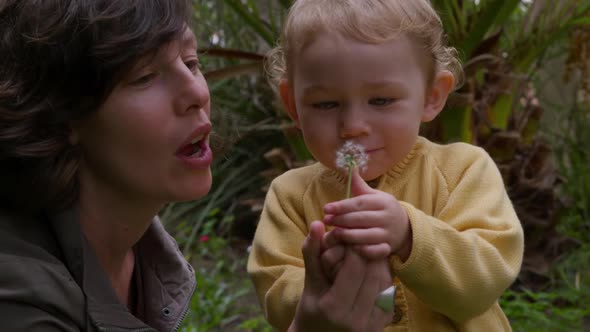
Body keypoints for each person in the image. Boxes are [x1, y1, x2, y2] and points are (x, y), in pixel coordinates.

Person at [247, 0, 525, 331]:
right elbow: (276, 296)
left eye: (381, 100)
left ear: (433, 95)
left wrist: (410, 235)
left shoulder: (464, 171)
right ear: (293, 105)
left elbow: (484, 281)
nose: (353, 125)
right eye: (326, 103)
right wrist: (320, 284)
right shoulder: (290, 196)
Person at [0, 0, 212, 331]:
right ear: (62, 115)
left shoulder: (144, 253)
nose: (196, 91)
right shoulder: (18, 294)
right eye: (145, 75)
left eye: (191, 62)